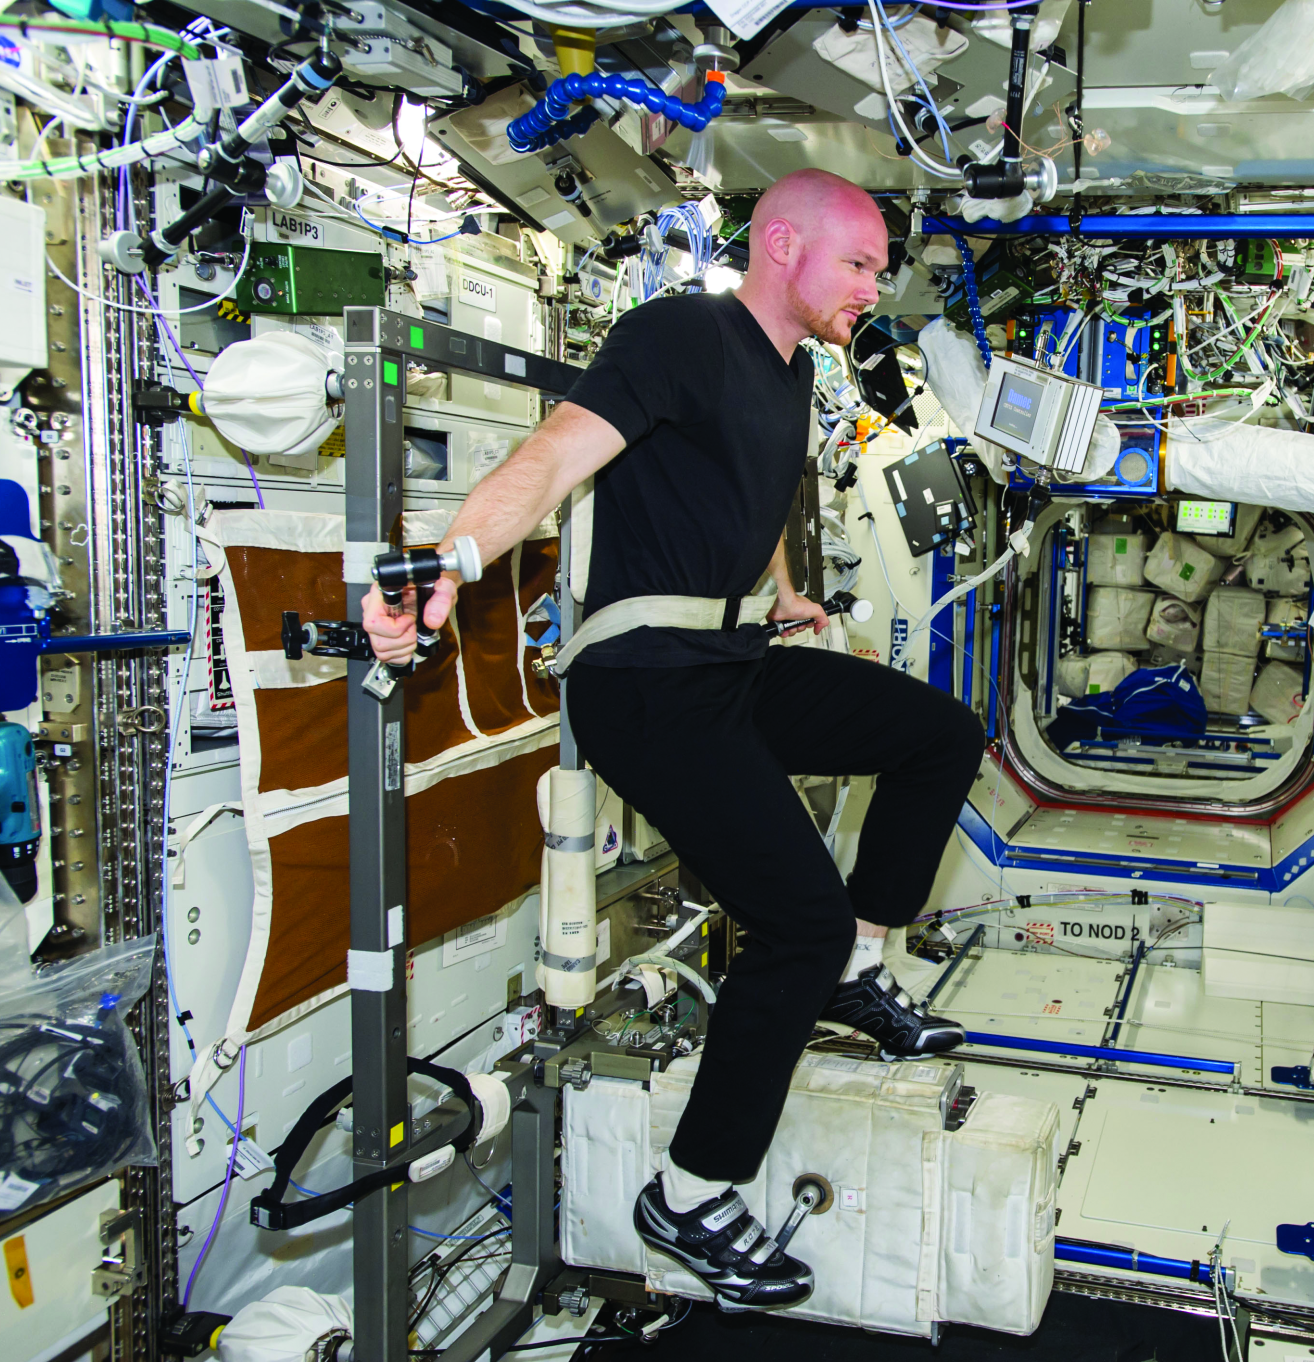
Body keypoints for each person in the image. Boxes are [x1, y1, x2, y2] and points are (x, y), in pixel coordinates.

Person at [360, 169, 983, 1312]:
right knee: (790, 918)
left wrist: (785, 591)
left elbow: (749, 503)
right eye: (859, 264)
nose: (874, 288)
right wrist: (445, 566)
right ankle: (689, 1196)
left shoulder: (795, 374)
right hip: (645, 686)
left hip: (732, 666)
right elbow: (550, 457)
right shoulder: (679, 334)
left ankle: (852, 968)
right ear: (783, 245)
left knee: (943, 732)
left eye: (881, 270)